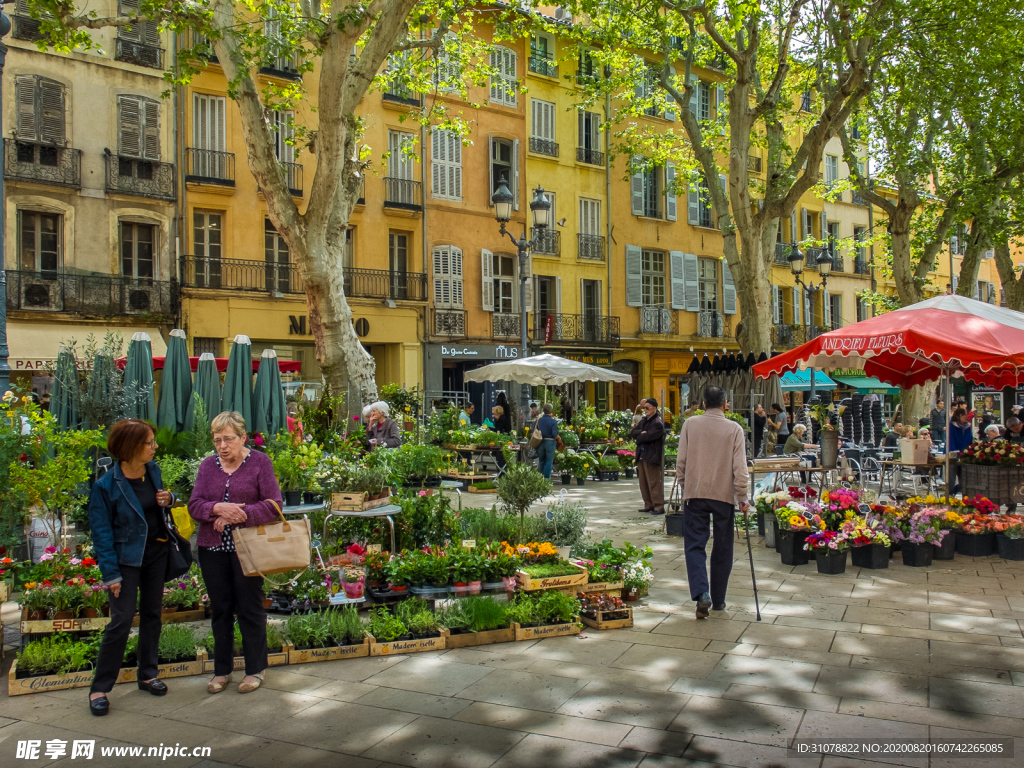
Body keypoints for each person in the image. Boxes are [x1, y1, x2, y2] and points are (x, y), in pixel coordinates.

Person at [189, 411, 284, 695]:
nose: (222, 446)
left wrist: (238, 514)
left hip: (249, 549)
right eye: (217, 440)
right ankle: (222, 671)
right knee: (220, 610)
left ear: (243, 438)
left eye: (228, 439)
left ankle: (255, 670)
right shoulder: (207, 467)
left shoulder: (260, 463)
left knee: (250, 609)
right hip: (212, 548)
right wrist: (217, 509)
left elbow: (274, 505)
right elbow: (195, 505)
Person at [88, 419, 178, 716]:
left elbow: (159, 504)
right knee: (121, 621)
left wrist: (169, 499)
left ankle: (148, 674)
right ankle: (100, 688)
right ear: (131, 447)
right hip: (125, 561)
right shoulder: (105, 486)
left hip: (156, 554)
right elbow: (101, 533)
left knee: (152, 614)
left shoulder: (152, 471)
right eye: (149, 443)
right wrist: (110, 573)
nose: (155, 447)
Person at [676, 387, 750, 618]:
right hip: (723, 496)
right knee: (723, 546)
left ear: (703, 403)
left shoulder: (690, 424)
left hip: (696, 493)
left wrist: (684, 484)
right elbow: (740, 468)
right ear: (725, 403)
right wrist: (743, 497)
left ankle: (701, 593)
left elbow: (681, 460)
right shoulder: (734, 429)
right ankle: (718, 600)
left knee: (694, 545)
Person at [631, 398, 666, 515]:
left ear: (654, 408)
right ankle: (648, 504)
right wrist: (641, 433)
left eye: (647, 408)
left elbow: (648, 437)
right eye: (644, 408)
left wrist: (641, 434)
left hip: (652, 455)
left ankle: (658, 506)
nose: (645, 410)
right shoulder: (644, 420)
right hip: (642, 454)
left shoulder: (657, 423)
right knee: (643, 482)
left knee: (654, 481)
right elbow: (633, 433)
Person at [947, 407, 973, 495]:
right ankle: (949, 495)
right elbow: (950, 440)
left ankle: (955, 491)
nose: (966, 416)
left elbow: (970, 440)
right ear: (958, 416)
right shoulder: (951, 426)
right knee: (950, 479)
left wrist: (970, 451)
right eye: (964, 414)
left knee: (964, 482)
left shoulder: (968, 427)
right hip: (952, 456)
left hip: (964, 456)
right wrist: (954, 453)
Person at [536, 403, 558, 478]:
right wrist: (559, 439)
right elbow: (554, 433)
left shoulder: (539, 420)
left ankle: (539, 479)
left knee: (541, 461)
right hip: (550, 442)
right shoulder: (553, 421)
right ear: (550, 411)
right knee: (548, 461)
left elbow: (535, 430)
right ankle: (546, 479)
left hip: (540, 441)